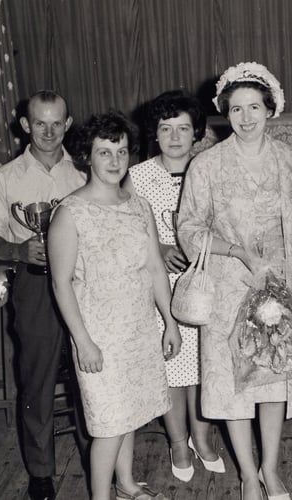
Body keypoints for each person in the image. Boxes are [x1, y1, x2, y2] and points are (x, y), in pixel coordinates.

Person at [177, 62, 292, 500]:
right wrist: (235, 251)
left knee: (273, 380)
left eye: (254, 107)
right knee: (233, 383)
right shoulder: (206, 165)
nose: (246, 117)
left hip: (278, 290)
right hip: (230, 287)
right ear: (224, 113)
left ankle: (270, 470)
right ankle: (248, 475)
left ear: (271, 110)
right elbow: (189, 229)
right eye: (236, 109)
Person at [48, 111, 181, 500]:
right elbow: (60, 283)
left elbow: (156, 266)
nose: (114, 161)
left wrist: (169, 321)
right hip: (98, 335)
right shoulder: (70, 213)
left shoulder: (138, 206)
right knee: (108, 424)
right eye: (104, 152)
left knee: (131, 414)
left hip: (138, 329)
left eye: (121, 151)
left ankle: (125, 486)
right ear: (87, 156)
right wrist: (83, 342)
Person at [0, 90, 87, 500]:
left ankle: (99, 457)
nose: (49, 131)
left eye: (57, 122)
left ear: (67, 124)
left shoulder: (85, 172)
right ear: (25, 125)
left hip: (84, 284)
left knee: (91, 375)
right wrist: (17, 250)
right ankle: (43, 472)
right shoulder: (4, 178)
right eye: (40, 123)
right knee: (37, 381)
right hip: (33, 286)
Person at [128, 90, 226, 482]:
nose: (174, 137)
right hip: (159, 284)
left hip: (205, 280)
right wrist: (162, 246)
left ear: (196, 132)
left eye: (183, 128)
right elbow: (131, 230)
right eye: (166, 129)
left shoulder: (209, 168)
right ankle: (178, 442)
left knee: (205, 365)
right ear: (155, 133)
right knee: (173, 365)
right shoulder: (137, 177)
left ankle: (203, 439)